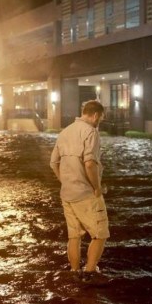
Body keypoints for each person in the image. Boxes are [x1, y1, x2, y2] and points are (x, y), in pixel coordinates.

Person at [50, 100, 109, 283]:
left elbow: (53, 163)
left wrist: (65, 181)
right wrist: (97, 188)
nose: (100, 122)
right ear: (96, 115)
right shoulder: (91, 132)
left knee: (74, 236)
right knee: (100, 233)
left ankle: (74, 271)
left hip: (67, 193)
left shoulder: (65, 131)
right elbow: (90, 163)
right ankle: (90, 272)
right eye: (101, 118)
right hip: (85, 194)